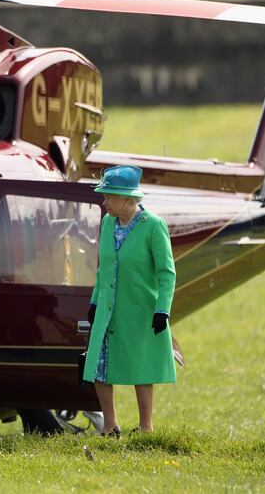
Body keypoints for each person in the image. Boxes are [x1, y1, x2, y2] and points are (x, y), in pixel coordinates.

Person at [82, 165, 176, 436]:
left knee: (141, 367)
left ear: (126, 200)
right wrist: (94, 301)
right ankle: (110, 426)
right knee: (99, 366)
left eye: (108, 197)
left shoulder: (153, 227)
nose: (104, 202)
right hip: (108, 310)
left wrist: (162, 310)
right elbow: (104, 267)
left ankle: (146, 427)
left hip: (139, 310)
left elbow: (166, 273)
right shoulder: (108, 222)